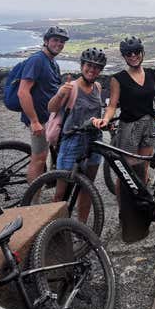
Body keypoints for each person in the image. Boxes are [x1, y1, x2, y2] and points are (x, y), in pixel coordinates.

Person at [99, 36, 155, 241]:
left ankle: (141, 211)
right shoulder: (118, 78)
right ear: (124, 56)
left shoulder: (152, 74)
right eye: (129, 53)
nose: (134, 56)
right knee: (126, 173)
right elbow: (112, 105)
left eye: (137, 52)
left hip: (149, 125)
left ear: (142, 53)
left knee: (143, 170)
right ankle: (125, 213)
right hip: (129, 127)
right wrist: (105, 119)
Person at [47, 48, 106, 223]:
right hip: (72, 141)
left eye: (97, 67)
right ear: (82, 66)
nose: (92, 70)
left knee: (87, 188)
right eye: (89, 65)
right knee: (61, 192)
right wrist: (60, 94)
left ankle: (81, 226)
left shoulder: (97, 87)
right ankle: (55, 228)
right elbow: (51, 108)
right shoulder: (70, 87)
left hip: (94, 140)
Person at [18, 26, 69, 184]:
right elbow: (23, 92)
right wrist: (34, 121)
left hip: (49, 117)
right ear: (46, 41)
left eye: (62, 42)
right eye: (55, 40)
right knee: (39, 159)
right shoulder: (37, 60)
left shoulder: (53, 63)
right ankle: (32, 203)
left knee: (47, 153)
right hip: (39, 119)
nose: (58, 44)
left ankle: (49, 179)